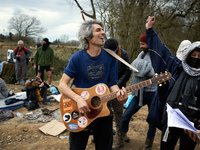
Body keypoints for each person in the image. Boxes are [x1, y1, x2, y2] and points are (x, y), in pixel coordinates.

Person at [59, 20, 128, 150]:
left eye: (102, 29)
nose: (103, 32)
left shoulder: (110, 57)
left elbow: (112, 83)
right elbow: (62, 85)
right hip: (80, 111)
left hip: (104, 112)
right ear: (88, 37)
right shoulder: (77, 58)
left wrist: (119, 94)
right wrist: (79, 99)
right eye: (98, 30)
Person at [145, 16, 200, 150]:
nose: (196, 59)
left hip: (191, 124)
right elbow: (162, 51)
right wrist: (150, 30)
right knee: (166, 147)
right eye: (193, 55)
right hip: (171, 119)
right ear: (187, 55)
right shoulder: (176, 66)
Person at [112, 33, 157, 150]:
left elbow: (154, 73)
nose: (141, 46)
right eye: (140, 44)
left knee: (153, 120)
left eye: (143, 44)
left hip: (153, 93)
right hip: (139, 92)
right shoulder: (141, 55)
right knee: (126, 116)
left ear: (149, 43)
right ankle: (120, 139)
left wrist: (142, 68)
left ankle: (148, 144)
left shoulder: (157, 55)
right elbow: (133, 66)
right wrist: (147, 68)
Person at [104, 38, 132, 140]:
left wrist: (117, 84)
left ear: (117, 49)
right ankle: (100, 132)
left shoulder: (124, 55)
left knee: (118, 110)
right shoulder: (103, 53)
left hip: (119, 87)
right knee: (103, 110)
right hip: (105, 89)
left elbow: (127, 71)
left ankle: (121, 133)